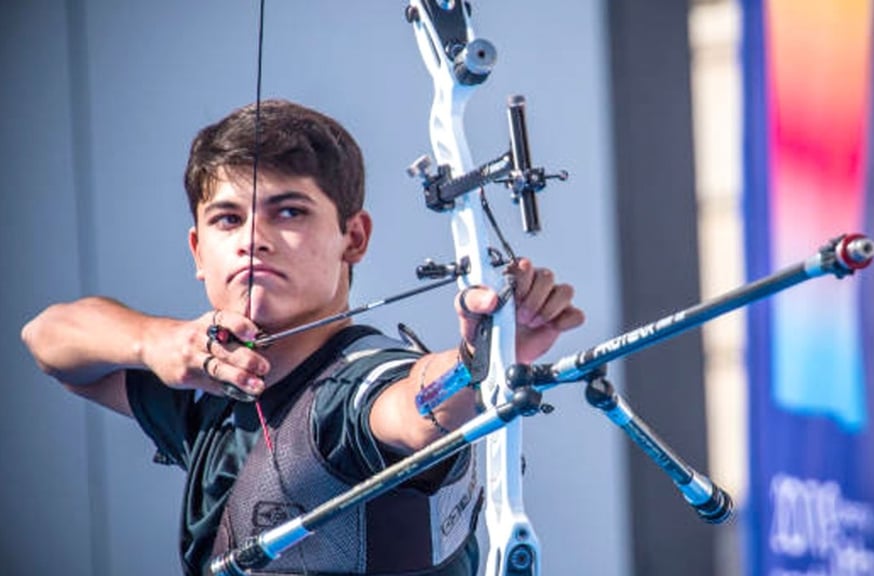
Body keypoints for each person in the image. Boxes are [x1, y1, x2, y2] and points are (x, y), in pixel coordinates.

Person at [21, 99, 584, 576]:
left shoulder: (355, 387)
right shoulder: (208, 382)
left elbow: (414, 410)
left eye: (287, 211)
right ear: (197, 250)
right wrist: (155, 343)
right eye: (226, 219)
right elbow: (48, 338)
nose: (252, 240)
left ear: (353, 237)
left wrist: (477, 361)